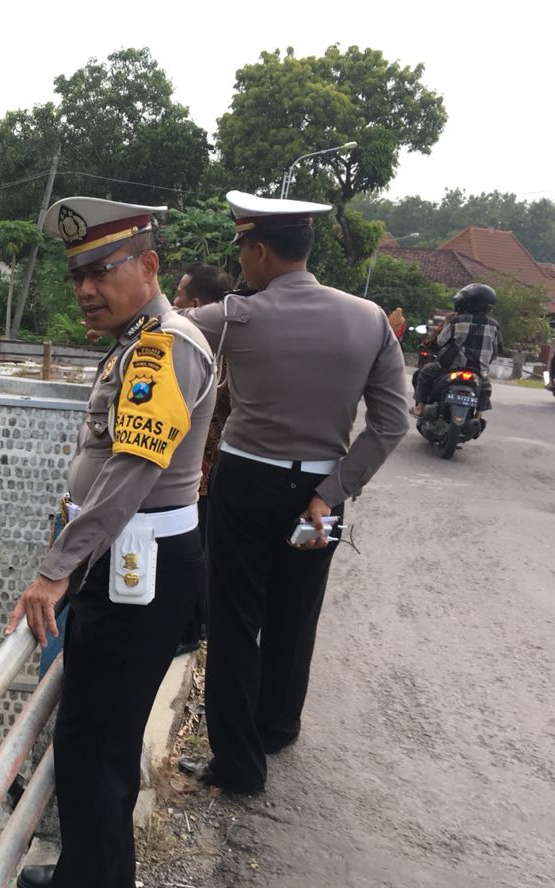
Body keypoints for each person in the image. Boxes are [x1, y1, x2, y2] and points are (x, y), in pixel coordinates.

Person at [5, 197, 216, 888]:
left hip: (136, 569)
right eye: (77, 277)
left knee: (91, 748)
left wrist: (56, 570)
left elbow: (129, 471)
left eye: (103, 269)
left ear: (149, 266)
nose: (87, 288)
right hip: (130, 564)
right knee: (108, 738)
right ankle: (104, 878)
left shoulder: (164, 346)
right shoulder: (138, 342)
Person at [176, 191, 408, 795]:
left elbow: (162, 331)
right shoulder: (370, 318)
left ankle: (237, 765)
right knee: (296, 615)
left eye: (243, 250)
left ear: (257, 250)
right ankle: (277, 727)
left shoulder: (236, 315)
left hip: (247, 482)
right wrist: (332, 493)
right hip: (322, 494)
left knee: (234, 621)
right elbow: (390, 423)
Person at [173, 264, 234, 655]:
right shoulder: (235, 338)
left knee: (194, 551)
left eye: (179, 293)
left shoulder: (196, 345)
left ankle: (190, 628)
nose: (173, 299)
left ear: (195, 303)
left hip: (202, 468)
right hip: (215, 465)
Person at [411, 283, 503, 416]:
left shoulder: (457, 320)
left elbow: (440, 341)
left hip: (452, 368)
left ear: (468, 303)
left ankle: (420, 408)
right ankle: (479, 414)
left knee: (424, 373)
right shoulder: (494, 325)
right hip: (479, 371)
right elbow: (497, 350)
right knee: (485, 387)